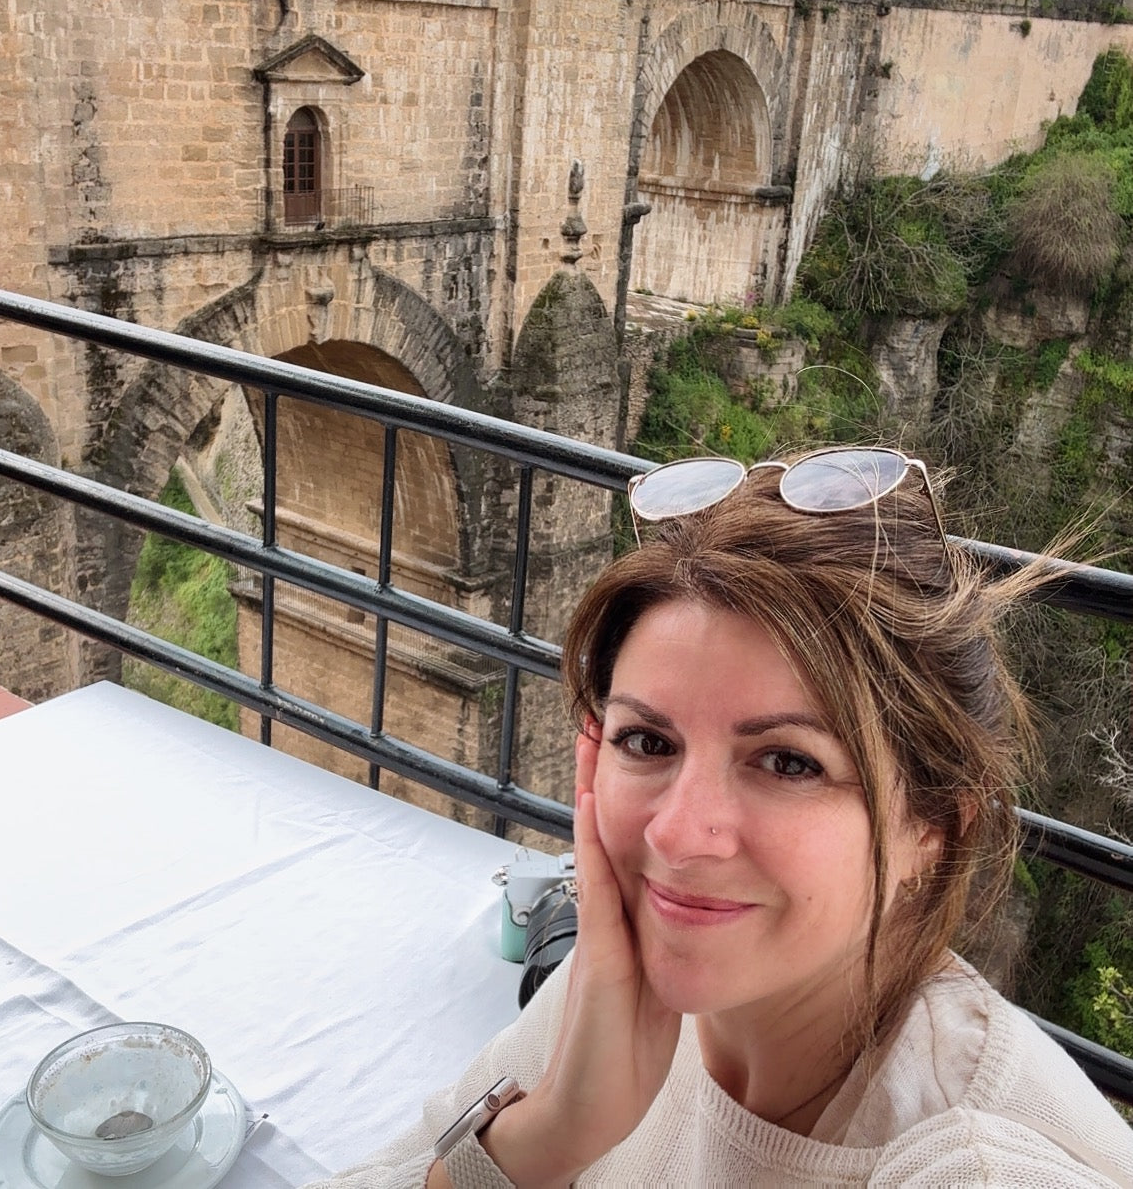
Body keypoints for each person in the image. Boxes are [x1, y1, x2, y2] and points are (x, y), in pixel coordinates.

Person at [313, 447, 1133, 1187]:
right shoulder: (617, 988)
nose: (675, 833)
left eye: (788, 762)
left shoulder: (974, 1160)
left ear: (933, 828)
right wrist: (547, 1136)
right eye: (647, 741)